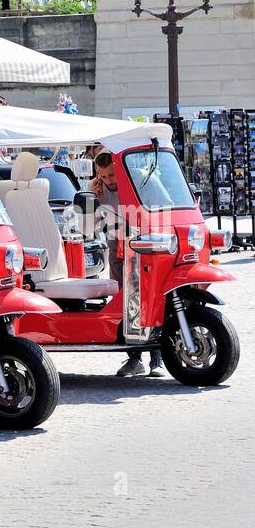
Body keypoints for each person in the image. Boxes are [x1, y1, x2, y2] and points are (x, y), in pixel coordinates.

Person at [91, 150, 165, 378]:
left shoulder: (144, 179)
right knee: (126, 303)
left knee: (150, 301)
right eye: (103, 177)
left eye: (112, 175)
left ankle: (157, 359)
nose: (109, 181)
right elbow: (88, 224)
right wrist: (93, 199)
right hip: (118, 249)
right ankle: (134, 358)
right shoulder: (97, 187)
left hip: (146, 246)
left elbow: (166, 209)